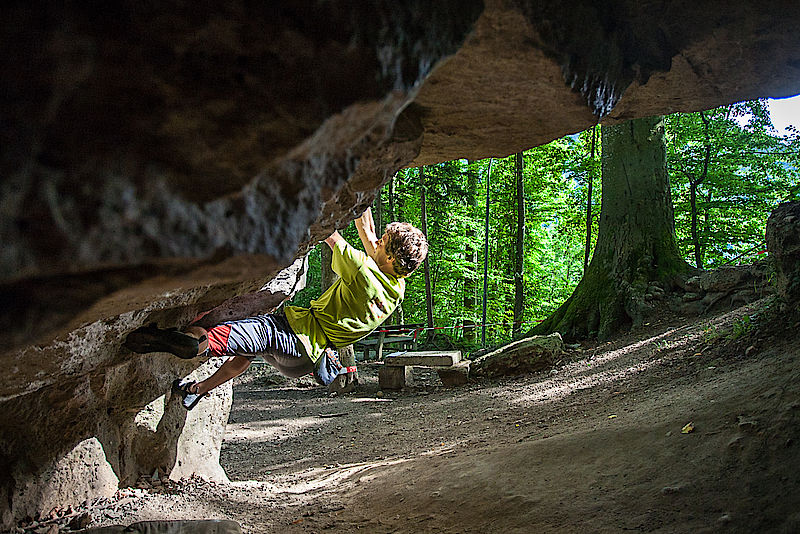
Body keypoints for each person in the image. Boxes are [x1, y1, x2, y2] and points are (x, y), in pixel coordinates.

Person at [124, 208, 428, 410]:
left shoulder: (362, 271)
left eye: (383, 242)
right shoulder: (395, 287)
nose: (376, 242)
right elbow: (369, 231)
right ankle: (198, 390)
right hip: (304, 361)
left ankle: (184, 340)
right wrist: (363, 202)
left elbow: (327, 232)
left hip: (291, 336)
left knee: (215, 335)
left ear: (389, 257)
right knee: (246, 353)